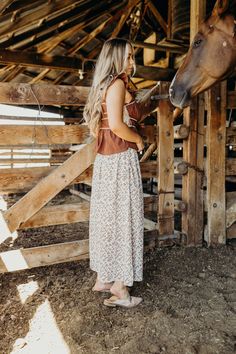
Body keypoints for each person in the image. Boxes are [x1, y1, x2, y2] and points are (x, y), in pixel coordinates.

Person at [84, 38, 159, 308]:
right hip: (120, 159)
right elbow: (116, 125)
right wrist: (138, 140)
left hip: (107, 161)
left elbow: (101, 127)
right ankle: (121, 289)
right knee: (125, 219)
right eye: (128, 57)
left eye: (132, 56)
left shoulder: (107, 86)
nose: (132, 62)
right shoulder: (116, 84)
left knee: (109, 218)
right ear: (115, 58)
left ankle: (105, 277)